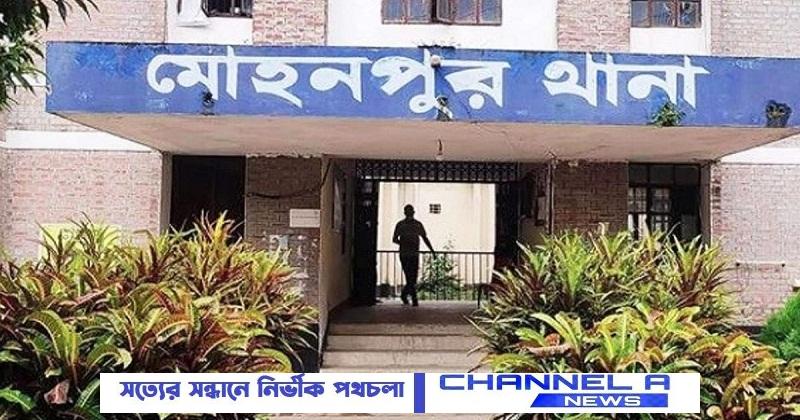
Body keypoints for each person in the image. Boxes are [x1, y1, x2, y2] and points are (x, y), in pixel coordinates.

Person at [392, 205, 435, 306]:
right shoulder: (402, 225)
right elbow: (394, 239)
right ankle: (414, 298)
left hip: (412, 254)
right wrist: (404, 243)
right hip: (406, 254)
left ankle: (404, 294)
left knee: (412, 277)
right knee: (409, 276)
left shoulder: (416, 224)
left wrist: (432, 250)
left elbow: (425, 238)